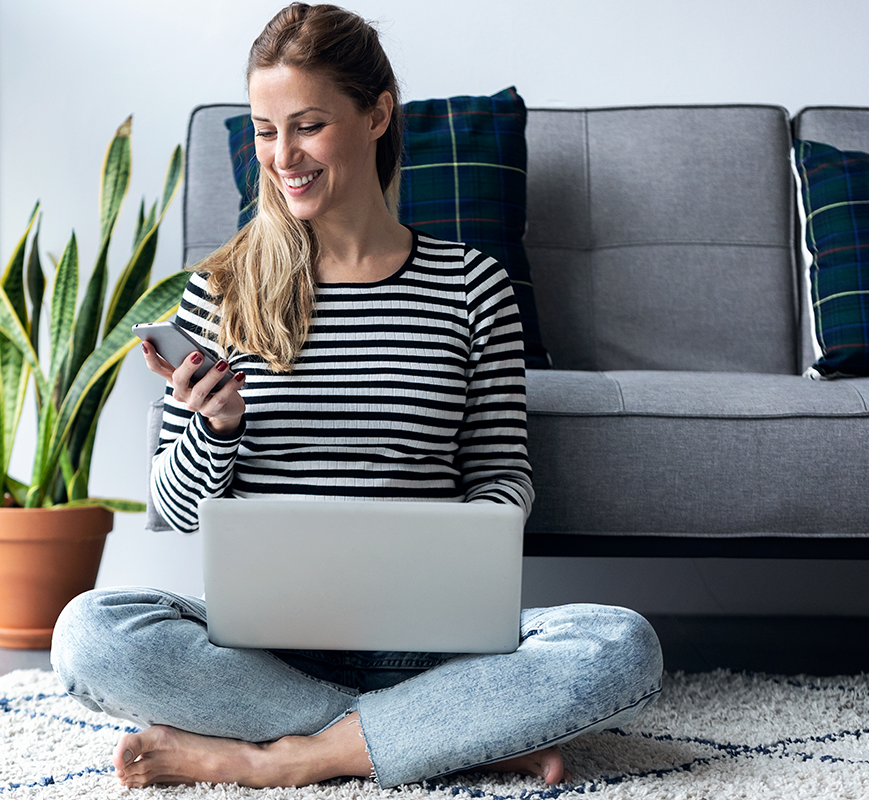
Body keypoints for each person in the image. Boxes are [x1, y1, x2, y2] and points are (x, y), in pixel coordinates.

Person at [51, 2, 663, 790]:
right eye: (265, 132)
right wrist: (215, 429)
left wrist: (459, 547)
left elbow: (502, 478)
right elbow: (170, 510)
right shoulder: (222, 291)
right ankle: (445, 731)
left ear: (377, 116)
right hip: (260, 647)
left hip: (430, 640)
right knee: (91, 634)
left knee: (621, 644)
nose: (282, 157)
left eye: (306, 126)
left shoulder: (473, 287)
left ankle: (284, 757)